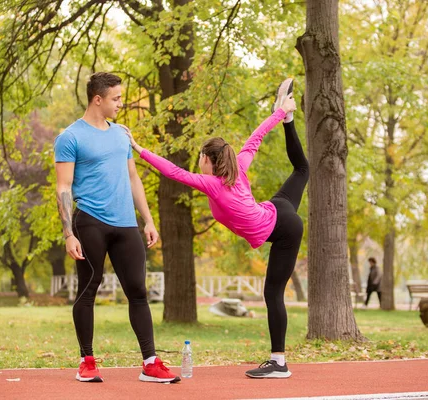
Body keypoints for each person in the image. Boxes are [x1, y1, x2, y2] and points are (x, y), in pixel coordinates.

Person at [127, 78, 307, 379]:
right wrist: (278, 114)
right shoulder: (238, 167)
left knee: (272, 292)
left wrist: (138, 148)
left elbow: (173, 171)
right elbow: (255, 138)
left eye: (200, 157)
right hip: (279, 209)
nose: (198, 162)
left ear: (209, 161)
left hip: (284, 228)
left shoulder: (211, 184)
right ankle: (289, 118)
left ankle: (279, 362)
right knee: (302, 169)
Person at [54, 72, 180, 384]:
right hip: (90, 222)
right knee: (89, 288)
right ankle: (87, 361)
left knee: (138, 290)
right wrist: (69, 232)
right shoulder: (70, 137)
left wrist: (148, 220)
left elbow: (133, 178)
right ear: (98, 99)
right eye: (116, 98)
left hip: (126, 223)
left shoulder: (121, 134)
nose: (121, 104)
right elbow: (63, 188)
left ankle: (150, 362)